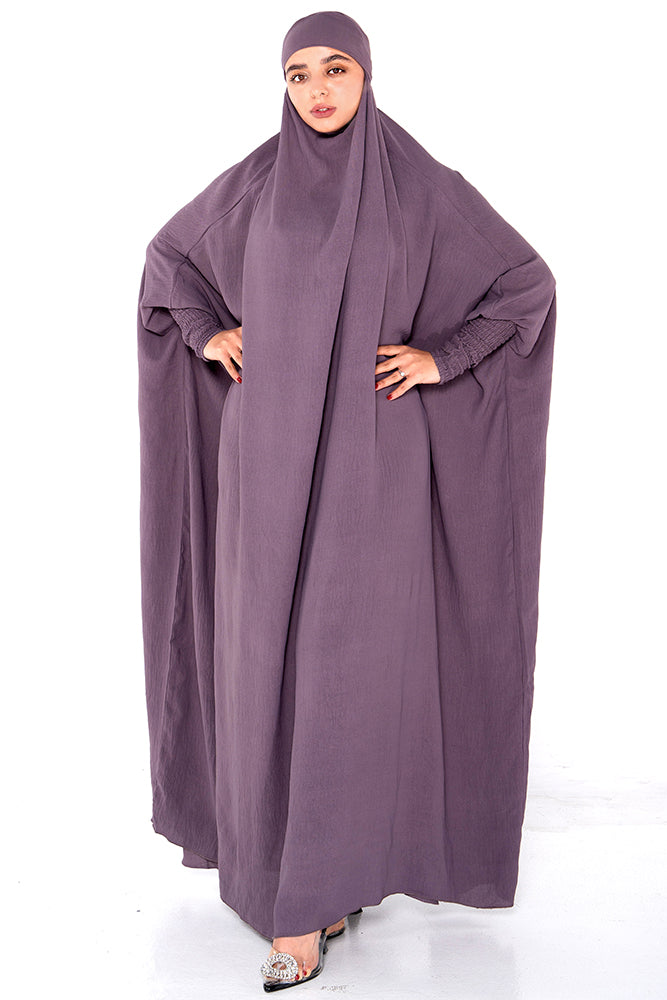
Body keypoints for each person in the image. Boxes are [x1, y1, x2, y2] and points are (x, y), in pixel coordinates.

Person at [137, 10, 557, 992]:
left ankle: (308, 904)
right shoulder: (250, 189)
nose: (318, 90)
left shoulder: (421, 189)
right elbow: (168, 266)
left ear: (366, 75)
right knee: (265, 669)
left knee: (343, 677)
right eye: (298, 74)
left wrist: (444, 357)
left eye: (335, 69)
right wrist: (206, 332)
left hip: (372, 471)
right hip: (262, 469)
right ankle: (307, 883)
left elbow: (523, 284)